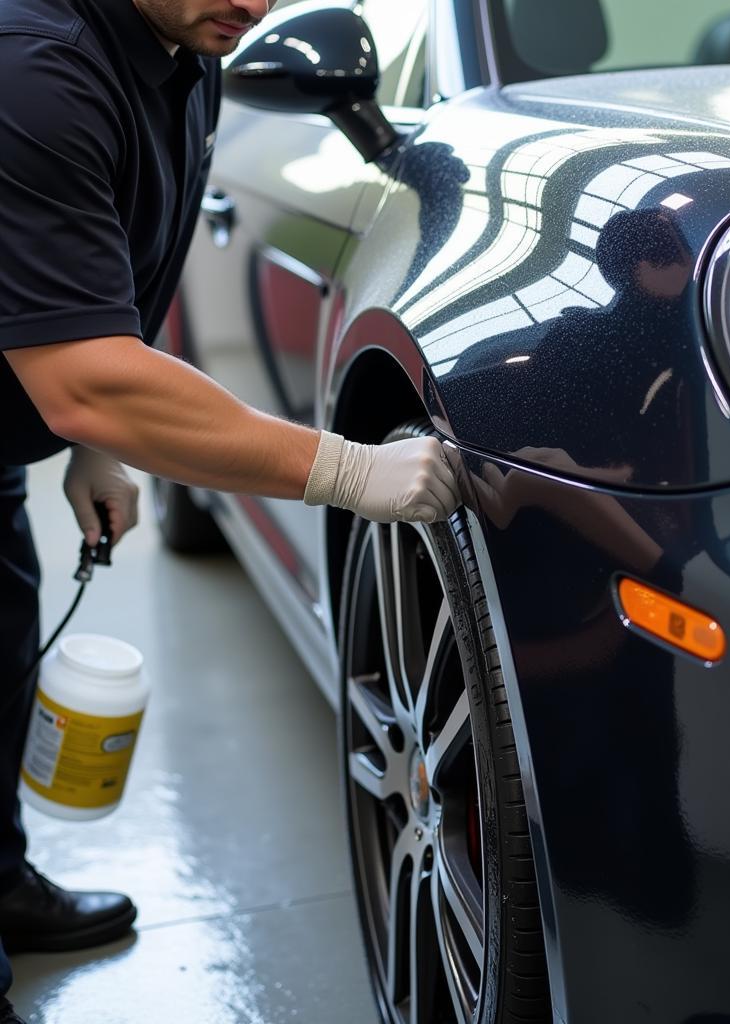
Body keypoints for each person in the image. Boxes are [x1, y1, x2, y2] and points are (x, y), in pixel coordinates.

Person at [0, 0, 459, 1018]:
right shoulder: (33, 70)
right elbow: (83, 368)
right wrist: (345, 472)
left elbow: (96, 271)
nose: (253, 4)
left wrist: (93, 441)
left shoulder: (184, 55)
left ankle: (0, 888)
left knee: (0, 653)